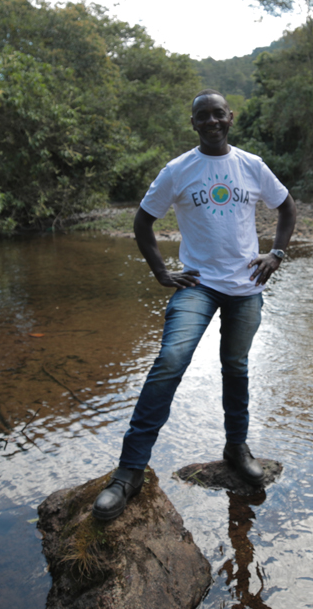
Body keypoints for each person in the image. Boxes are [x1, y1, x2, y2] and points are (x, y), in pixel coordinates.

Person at [93, 89, 297, 521]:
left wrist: (276, 254)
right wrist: (161, 272)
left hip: (245, 287)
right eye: (202, 116)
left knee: (236, 367)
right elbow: (143, 221)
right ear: (193, 123)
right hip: (197, 286)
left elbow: (286, 207)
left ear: (230, 117)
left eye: (218, 114)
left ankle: (236, 448)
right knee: (171, 359)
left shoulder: (251, 165)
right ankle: (128, 472)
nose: (211, 121)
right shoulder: (178, 170)